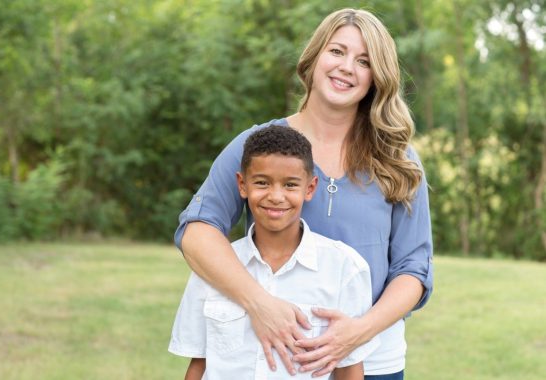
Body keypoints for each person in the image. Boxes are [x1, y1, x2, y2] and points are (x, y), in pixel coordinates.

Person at [174, 8, 433, 380]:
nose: (347, 67)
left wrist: (357, 333)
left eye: (364, 61)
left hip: (374, 360)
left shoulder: (398, 159)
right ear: (313, 58)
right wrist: (260, 304)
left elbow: (413, 270)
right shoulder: (261, 147)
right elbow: (197, 231)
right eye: (337, 51)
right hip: (277, 357)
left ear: (377, 78)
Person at [169, 125, 380, 379]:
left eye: (290, 185)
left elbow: (349, 371)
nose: (276, 196)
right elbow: (199, 365)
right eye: (262, 183)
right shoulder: (212, 270)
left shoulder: (345, 268)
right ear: (242, 184)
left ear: (310, 188)